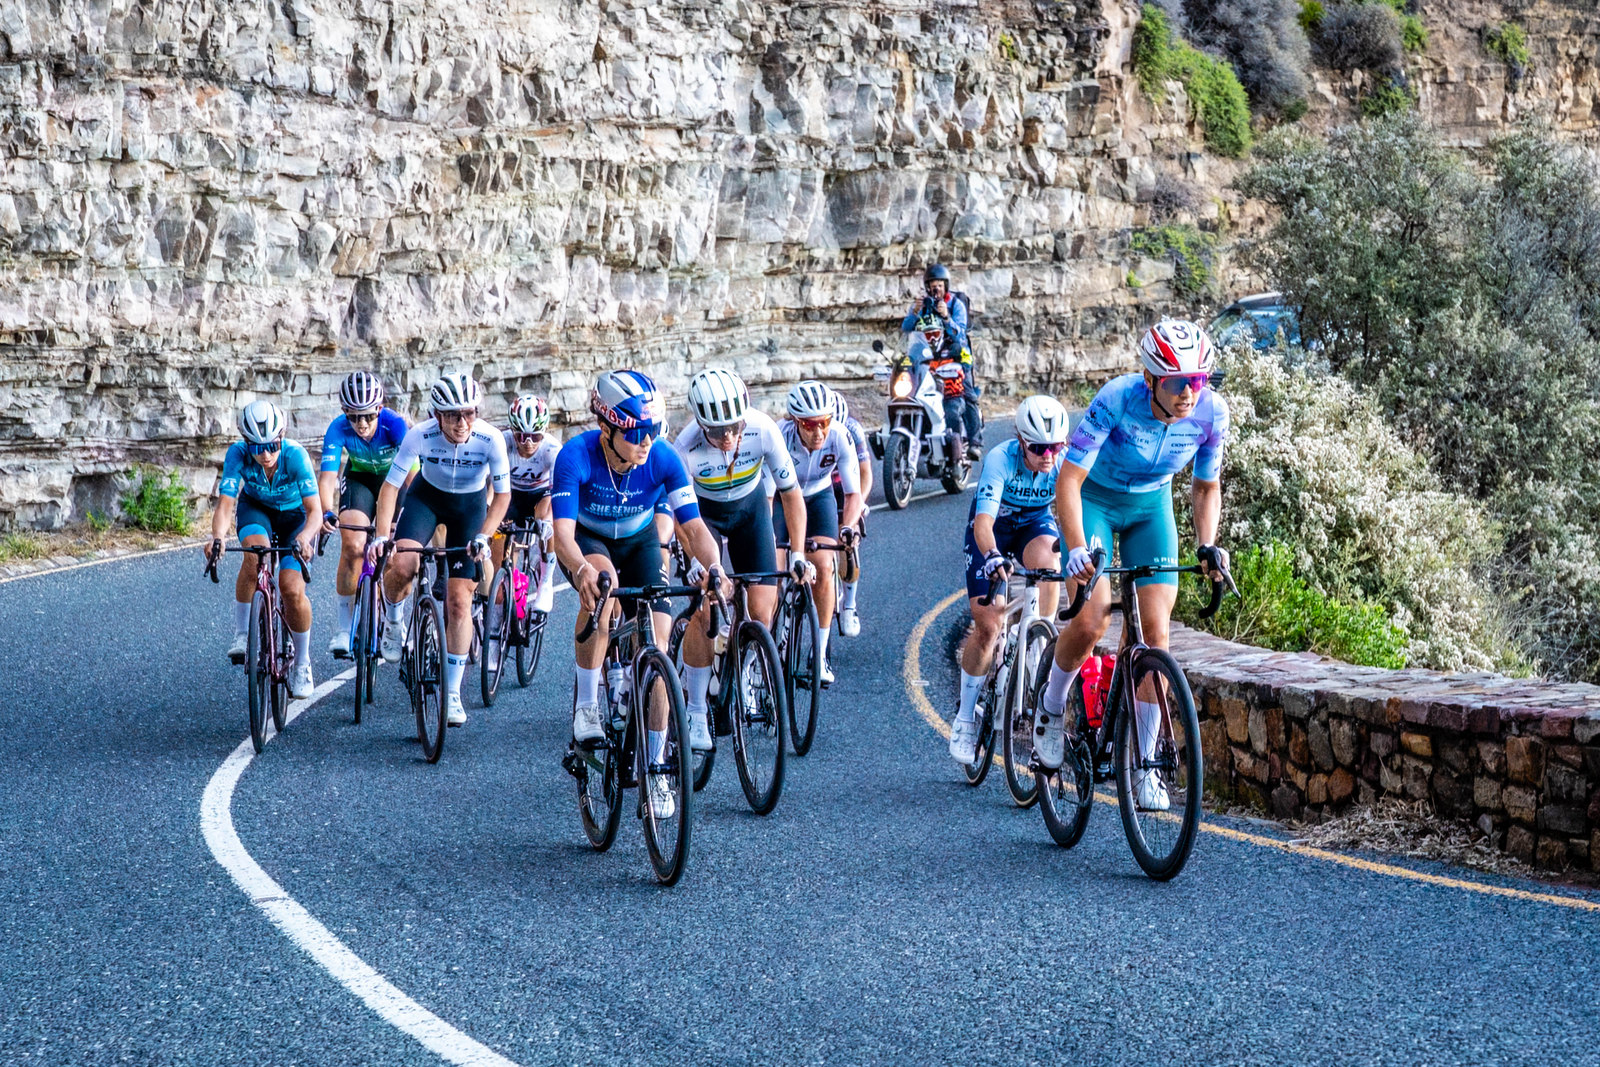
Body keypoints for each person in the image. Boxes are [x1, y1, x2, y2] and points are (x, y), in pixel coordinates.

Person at [1036, 319, 1232, 810]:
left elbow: (1206, 486)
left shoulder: (1211, 413)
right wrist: (1078, 547)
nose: (1190, 392)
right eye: (1177, 382)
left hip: (1150, 508)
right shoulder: (1117, 399)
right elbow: (1069, 481)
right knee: (1093, 614)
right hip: (1095, 500)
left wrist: (1207, 545)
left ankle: (1145, 764)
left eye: (1199, 380)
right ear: (1151, 380)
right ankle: (1051, 706)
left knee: (1155, 634)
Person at [551, 370, 725, 820]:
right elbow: (562, 538)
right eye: (636, 432)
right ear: (606, 427)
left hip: (641, 540)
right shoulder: (576, 456)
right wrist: (582, 568)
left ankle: (656, 766)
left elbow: (692, 527)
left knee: (659, 646)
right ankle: (588, 707)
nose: (646, 441)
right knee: (605, 593)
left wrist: (712, 567)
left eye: (653, 431)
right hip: (590, 543)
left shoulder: (663, 457)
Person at [674, 368, 814, 750]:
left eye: (734, 426)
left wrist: (798, 553)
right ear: (701, 424)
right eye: (717, 431)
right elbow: (678, 517)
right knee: (705, 608)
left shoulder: (763, 429)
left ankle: (746, 673)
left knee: (762, 614)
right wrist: (693, 560)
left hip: (750, 513)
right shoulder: (684, 447)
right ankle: (697, 710)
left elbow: (791, 495)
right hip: (703, 519)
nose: (729, 437)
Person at [368, 372, 510, 728]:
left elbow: (503, 495)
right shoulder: (420, 435)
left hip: (470, 508)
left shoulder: (491, 439)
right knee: (402, 564)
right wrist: (382, 535)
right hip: (426, 501)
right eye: (451, 415)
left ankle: (452, 692)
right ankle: (395, 621)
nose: (461, 423)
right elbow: (391, 487)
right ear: (436, 414)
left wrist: (484, 535)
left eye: (468, 413)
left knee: (460, 600)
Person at [947, 395, 1070, 763]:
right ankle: (966, 718)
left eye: (1055, 447)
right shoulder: (1001, 459)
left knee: (1051, 562)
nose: (1048, 456)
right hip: (995, 528)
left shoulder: (1061, 461)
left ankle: (1036, 636)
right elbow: (983, 523)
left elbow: (1072, 511)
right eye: (1038, 448)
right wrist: (993, 556)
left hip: (1033, 524)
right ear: (1020, 441)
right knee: (988, 625)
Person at [205, 400, 321, 698]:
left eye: (272, 445)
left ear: (281, 436)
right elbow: (226, 503)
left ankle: (302, 662)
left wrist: (306, 538)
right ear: (247, 443)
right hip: (256, 508)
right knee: (255, 555)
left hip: (296, 517)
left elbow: (315, 512)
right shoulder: (238, 454)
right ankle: (244, 633)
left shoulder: (295, 456)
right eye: (257, 447)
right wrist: (218, 537)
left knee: (292, 590)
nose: (266, 454)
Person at [316, 371, 410, 657]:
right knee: (352, 545)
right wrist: (326, 511)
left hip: (395, 480)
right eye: (354, 417)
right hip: (360, 481)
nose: (362, 424)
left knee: (394, 551)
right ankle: (344, 629)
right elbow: (328, 477)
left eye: (368, 416)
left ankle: (394, 618)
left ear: (379, 409)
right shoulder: (337, 428)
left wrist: (412, 512)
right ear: (345, 413)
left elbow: (412, 477)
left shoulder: (395, 425)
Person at [776, 380, 862, 686]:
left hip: (819, 496)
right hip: (781, 498)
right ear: (796, 422)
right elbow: (767, 499)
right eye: (810, 425)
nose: (819, 432)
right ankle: (771, 635)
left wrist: (848, 527)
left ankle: (820, 654)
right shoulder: (780, 437)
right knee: (773, 570)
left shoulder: (840, 436)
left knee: (825, 568)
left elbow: (853, 494)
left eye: (824, 423)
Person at [901, 263, 982, 457]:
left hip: (956, 353)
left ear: (945, 285)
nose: (935, 289)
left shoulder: (955, 305)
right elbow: (906, 328)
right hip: (929, 356)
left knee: (967, 392)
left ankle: (974, 442)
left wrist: (946, 316)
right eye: (931, 285)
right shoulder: (922, 305)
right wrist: (915, 312)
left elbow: (960, 334)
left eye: (939, 285)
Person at [494, 394, 560, 619]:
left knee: (547, 521)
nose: (528, 442)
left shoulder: (552, 449)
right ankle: (504, 581)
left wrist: (547, 521)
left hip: (541, 495)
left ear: (545, 432)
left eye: (535, 436)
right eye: (521, 435)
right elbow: (490, 487)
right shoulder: (501, 442)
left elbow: (557, 494)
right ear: (512, 431)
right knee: (498, 533)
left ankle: (546, 581)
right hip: (510, 495)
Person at [832, 393, 873, 637]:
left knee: (849, 542)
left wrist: (861, 503)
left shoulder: (853, 429)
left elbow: (866, 474)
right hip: (817, 488)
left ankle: (849, 605)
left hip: (846, 487)